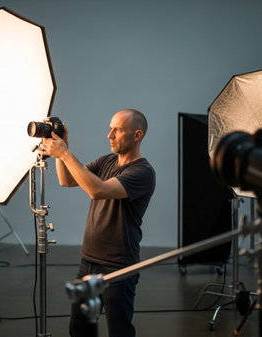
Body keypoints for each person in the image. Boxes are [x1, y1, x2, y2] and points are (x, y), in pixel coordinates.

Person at [41, 109, 155, 337]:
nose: (109, 135)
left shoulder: (143, 172)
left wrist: (64, 154)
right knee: (80, 329)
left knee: (119, 331)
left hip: (119, 267)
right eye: (110, 128)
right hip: (88, 262)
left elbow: (97, 190)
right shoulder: (107, 161)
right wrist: (64, 145)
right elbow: (67, 180)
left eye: (118, 130)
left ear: (137, 135)